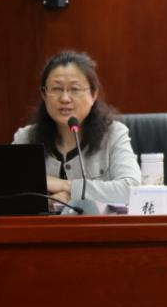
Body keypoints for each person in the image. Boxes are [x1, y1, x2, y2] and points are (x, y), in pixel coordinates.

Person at [13, 50, 140, 207]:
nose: (65, 98)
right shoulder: (26, 138)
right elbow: (6, 193)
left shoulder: (113, 134)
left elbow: (132, 190)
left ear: (93, 94)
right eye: (56, 89)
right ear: (44, 95)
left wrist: (68, 186)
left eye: (74, 89)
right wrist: (47, 202)